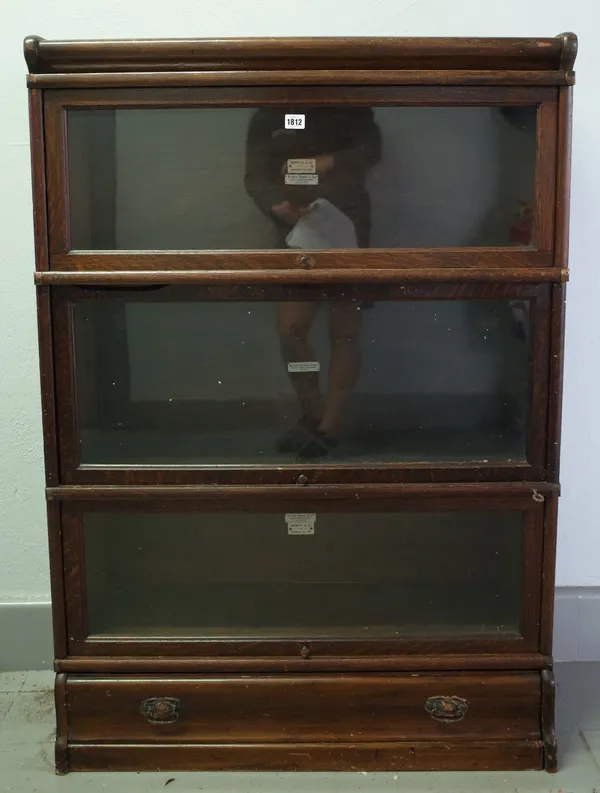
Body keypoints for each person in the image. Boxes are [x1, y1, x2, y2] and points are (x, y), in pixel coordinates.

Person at [244, 107, 381, 458]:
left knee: (345, 328)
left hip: (347, 228)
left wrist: (328, 161)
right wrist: (277, 207)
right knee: (291, 329)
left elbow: (371, 150)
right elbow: (255, 177)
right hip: (294, 232)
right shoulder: (267, 115)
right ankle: (311, 412)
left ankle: (329, 425)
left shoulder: (352, 107)